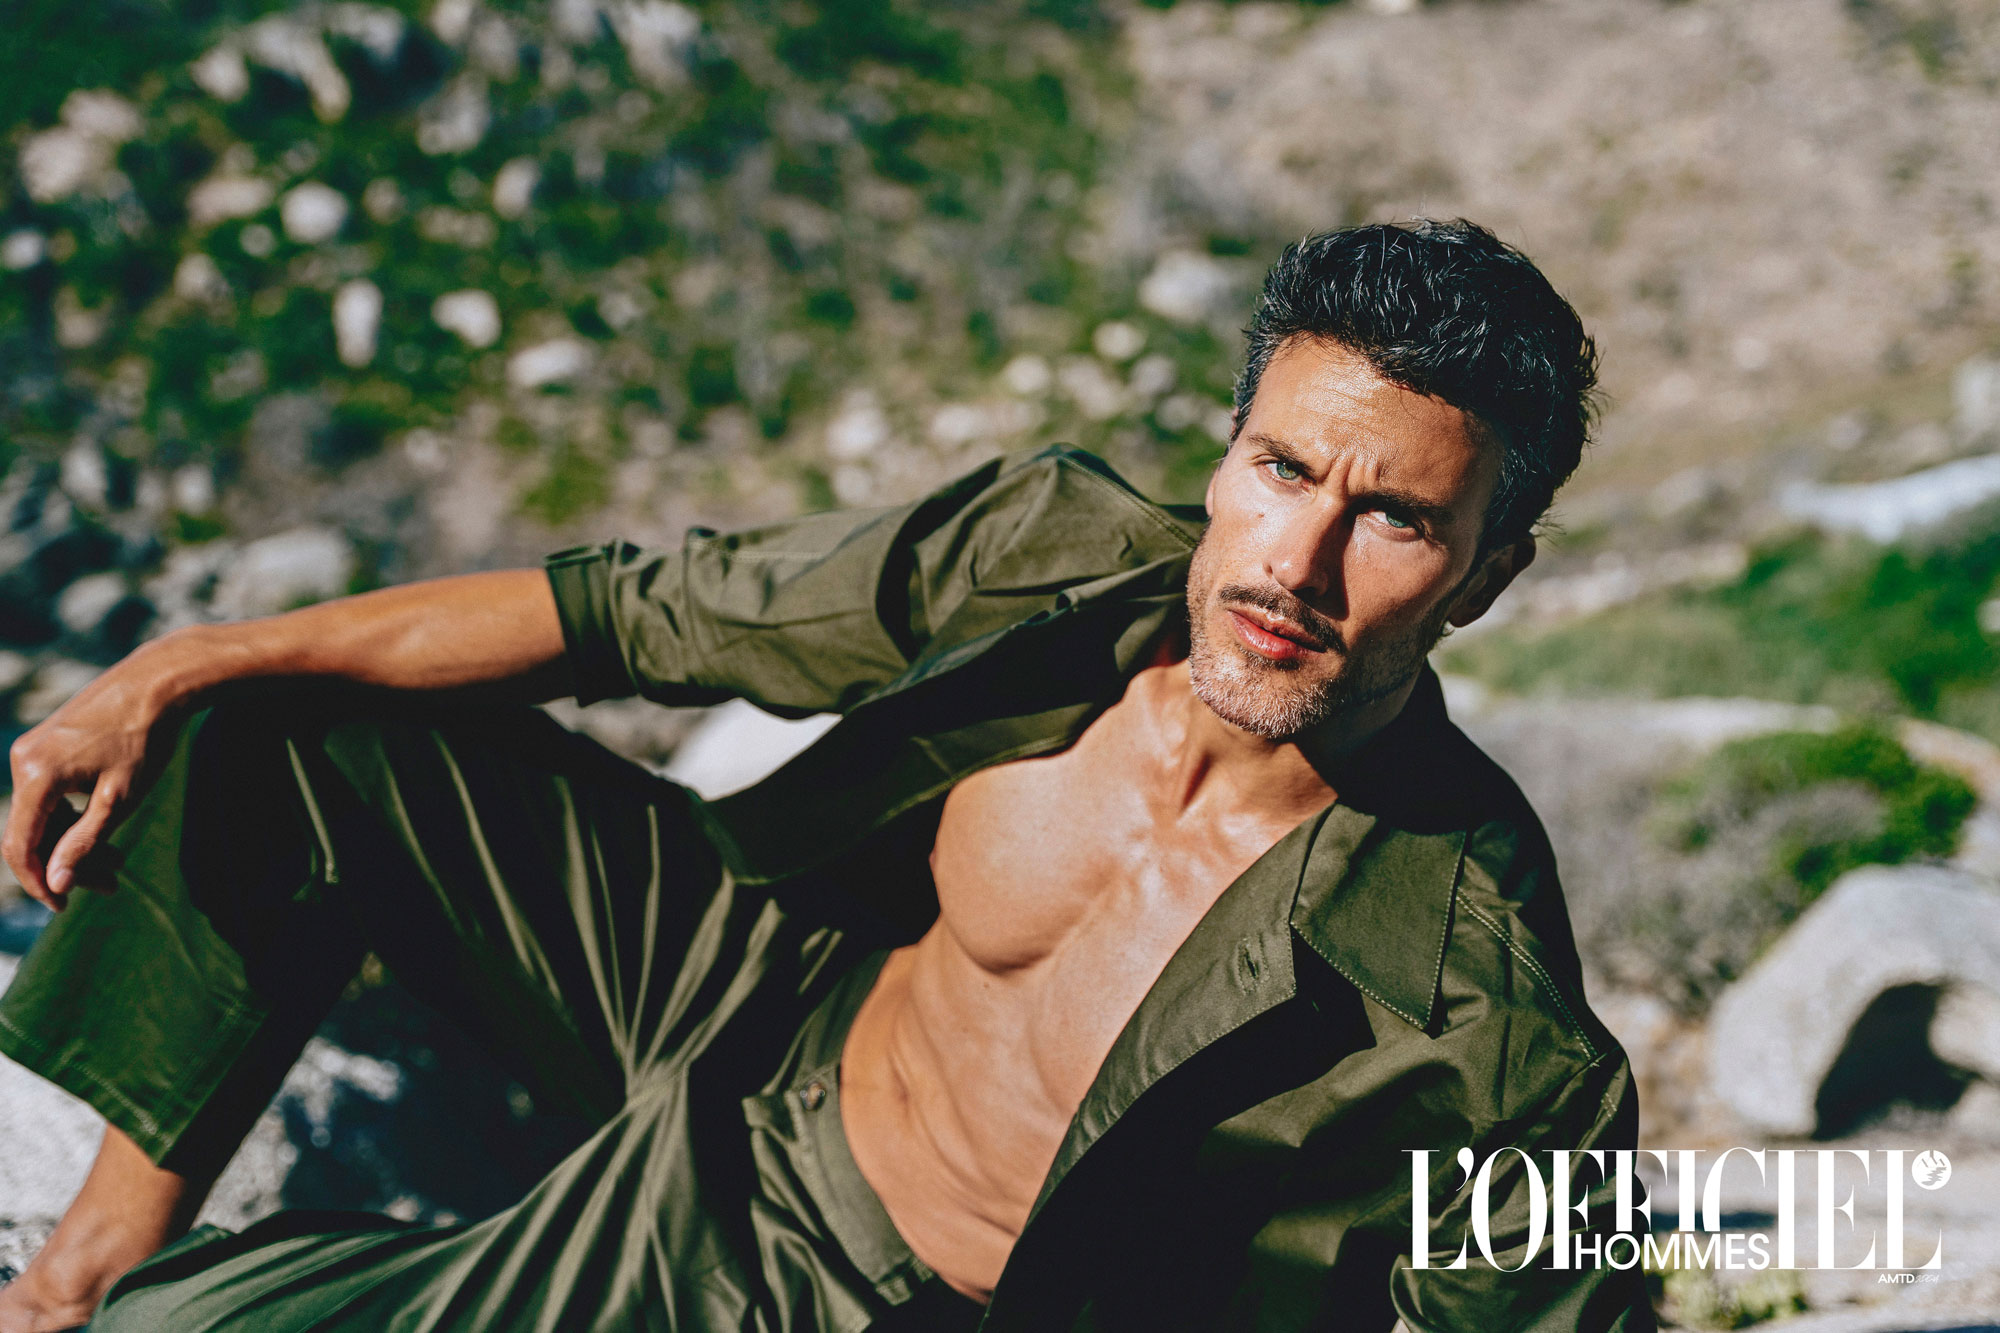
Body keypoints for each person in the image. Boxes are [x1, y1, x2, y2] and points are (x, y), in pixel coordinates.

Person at [0, 219, 1651, 1332]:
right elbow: (637, 612)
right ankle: (67, 1279)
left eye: (1394, 518)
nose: (1296, 558)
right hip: (752, 999)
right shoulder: (1059, 558)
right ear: (1226, 457)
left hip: (843, 1285)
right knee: (280, 716)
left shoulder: (1494, 1022)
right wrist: (180, 660)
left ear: (1486, 573)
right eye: (1280, 468)